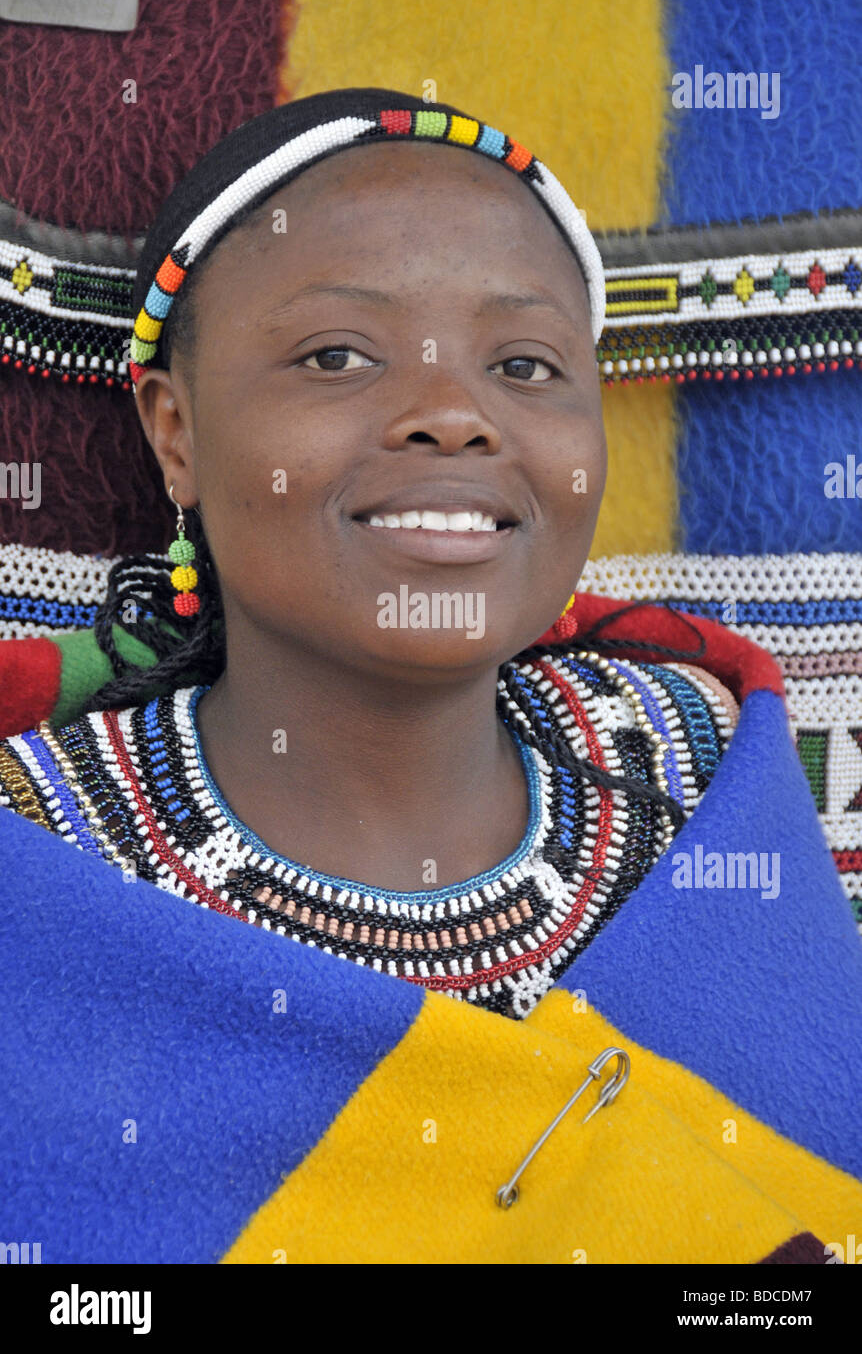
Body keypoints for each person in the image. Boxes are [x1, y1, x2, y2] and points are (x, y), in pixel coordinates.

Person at [0, 89, 859, 1264]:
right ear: (176, 432)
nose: (454, 415)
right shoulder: (38, 856)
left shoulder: (691, 764)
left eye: (524, 362)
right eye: (338, 355)